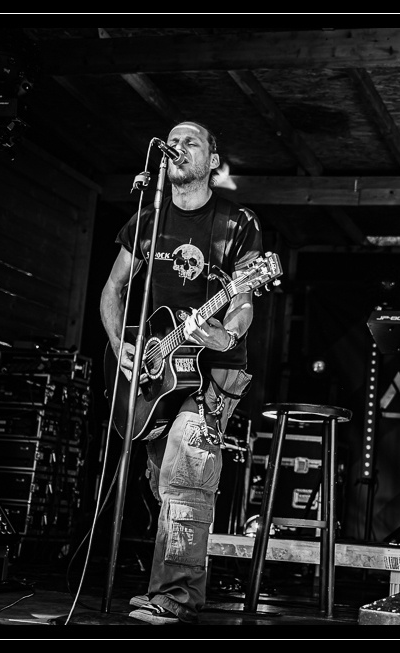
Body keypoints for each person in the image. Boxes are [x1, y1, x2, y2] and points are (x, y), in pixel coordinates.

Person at [100, 120, 262, 624]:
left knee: (187, 474)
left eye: (191, 141)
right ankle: (164, 586)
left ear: (212, 161)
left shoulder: (236, 222)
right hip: (156, 370)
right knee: (161, 480)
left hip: (213, 371)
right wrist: (119, 344)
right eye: (173, 141)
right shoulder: (147, 220)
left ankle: (176, 598)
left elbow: (243, 301)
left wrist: (225, 335)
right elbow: (113, 289)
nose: (178, 147)